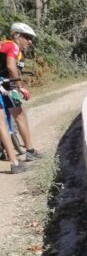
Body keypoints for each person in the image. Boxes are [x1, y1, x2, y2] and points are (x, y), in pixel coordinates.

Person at [0, 22, 40, 160]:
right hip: (5, 83)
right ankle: (29, 151)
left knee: (15, 116)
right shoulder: (12, 46)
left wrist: (18, 84)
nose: (30, 41)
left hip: (6, 83)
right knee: (19, 115)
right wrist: (19, 86)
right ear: (16, 35)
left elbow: (15, 70)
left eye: (31, 39)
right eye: (27, 37)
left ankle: (25, 150)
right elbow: (11, 67)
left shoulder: (16, 50)